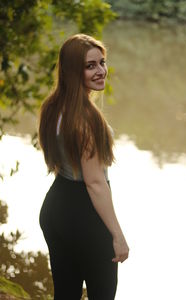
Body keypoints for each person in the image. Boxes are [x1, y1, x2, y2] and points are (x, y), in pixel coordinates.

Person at [38, 33, 129, 300]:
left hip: (56, 210)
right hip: (84, 217)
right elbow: (95, 183)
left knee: (65, 293)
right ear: (72, 70)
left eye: (102, 62)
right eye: (90, 66)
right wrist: (118, 235)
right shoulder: (87, 121)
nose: (101, 71)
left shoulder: (53, 106)